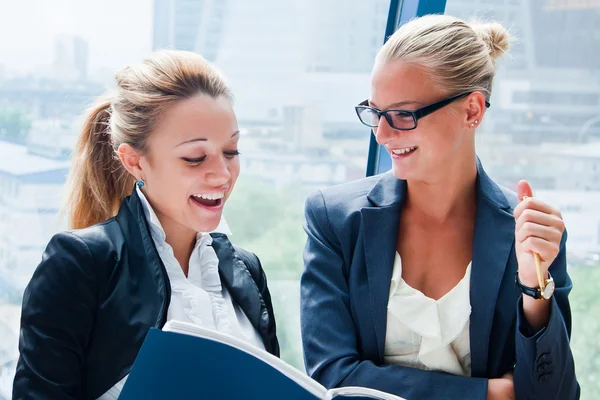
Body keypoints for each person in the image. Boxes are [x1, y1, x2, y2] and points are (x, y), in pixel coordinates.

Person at [300, 15, 579, 400]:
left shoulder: (528, 232)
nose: (382, 134)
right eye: (375, 112)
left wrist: (535, 292)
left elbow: (554, 395)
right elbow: (332, 377)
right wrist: (491, 394)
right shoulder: (335, 220)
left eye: (403, 114)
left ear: (471, 111)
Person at [13, 50, 279, 400]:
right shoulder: (81, 265)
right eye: (194, 158)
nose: (223, 174)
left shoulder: (247, 271)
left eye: (231, 152)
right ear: (135, 162)